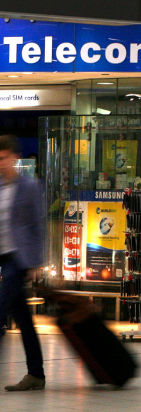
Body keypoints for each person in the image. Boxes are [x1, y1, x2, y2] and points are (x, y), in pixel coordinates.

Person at [0, 135, 46, 391]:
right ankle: (36, 374)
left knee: (0, 309)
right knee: (23, 319)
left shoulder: (30, 186)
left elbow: (38, 226)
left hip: (19, 259)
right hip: (4, 256)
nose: (0, 163)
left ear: (15, 158)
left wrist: (36, 262)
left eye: (3, 158)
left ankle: (35, 374)